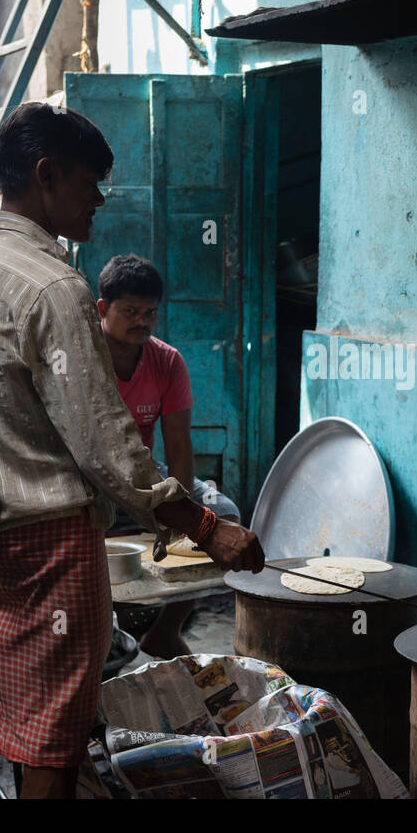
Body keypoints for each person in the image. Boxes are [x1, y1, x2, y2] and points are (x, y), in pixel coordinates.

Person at [0, 102, 264, 800]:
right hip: (53, 552)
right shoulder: (57, 290)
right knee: (52, 750)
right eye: (92, 183)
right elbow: (111, 453)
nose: (99, 200)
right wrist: (210, 528)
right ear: (46, 174)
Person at [97, 254, 241, 659]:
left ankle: (165, 629)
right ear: (102, 309)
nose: (141, 321)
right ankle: (102, 635)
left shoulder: (167, 361)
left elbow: (178, 446)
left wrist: (188, 514)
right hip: (91, 479)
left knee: (224, 516)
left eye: (150, 314)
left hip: (147, 476)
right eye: (130, 312)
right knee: (90, 537)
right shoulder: (83, 358)